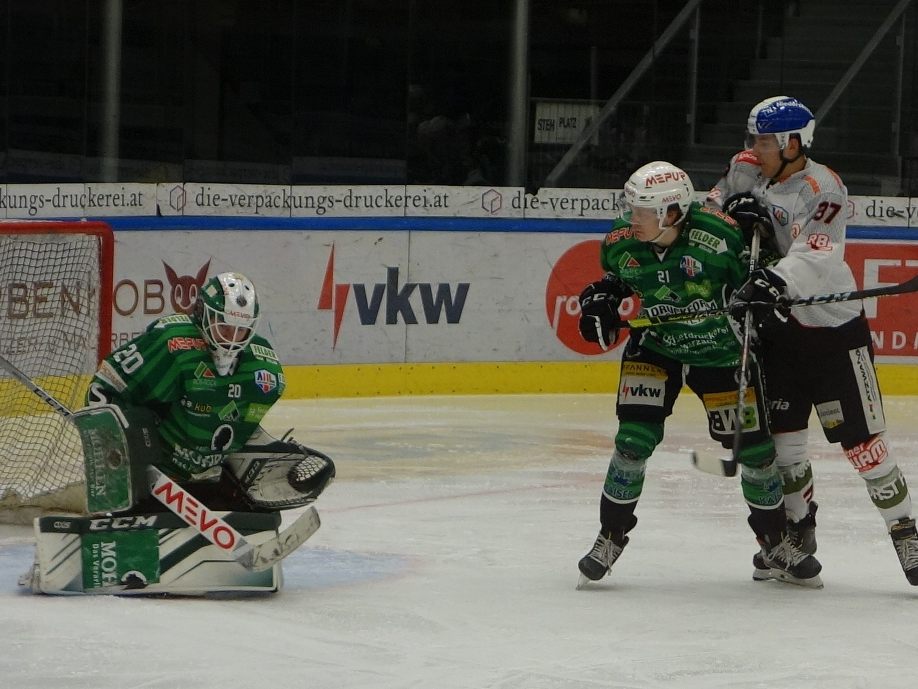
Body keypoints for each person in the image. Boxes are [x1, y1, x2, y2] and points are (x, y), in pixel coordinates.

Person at [576, 160, 822, 588]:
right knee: (631, 445)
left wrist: (761, 278)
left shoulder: (720, 237)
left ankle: (775, 542)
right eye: (631, 207)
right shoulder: (620, 241)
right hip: (656, 348)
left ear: (672, 213)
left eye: (643, 210)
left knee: (756, 455)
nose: (632, 218)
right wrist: (600, 298)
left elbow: (774, 274)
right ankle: (610, 536)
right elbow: (618, 280)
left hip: (722, 355)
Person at [710, 95, 918, 585]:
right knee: (785, 446)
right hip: (779, 333)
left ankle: (906, 532)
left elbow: (817, 253)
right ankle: (799, 534)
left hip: (832, 330)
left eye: (764, 140)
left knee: (863, 446)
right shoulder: (745, 171)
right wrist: (730, 218)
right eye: (753, 139)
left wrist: (771, 282)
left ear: (792, 142)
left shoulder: (822, 187)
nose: (754, 148)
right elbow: (711, 213)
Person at [85, 271, 335, 514]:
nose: (233, 339)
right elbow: (105, 387)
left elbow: (238, 424)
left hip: (197, 480)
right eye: (225, 327)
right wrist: (114, 447)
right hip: (147, 469)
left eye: (242, 330)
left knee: (240, 500)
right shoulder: (172, 344)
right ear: (203, 314)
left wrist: (257, 451)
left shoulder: (263, 371)